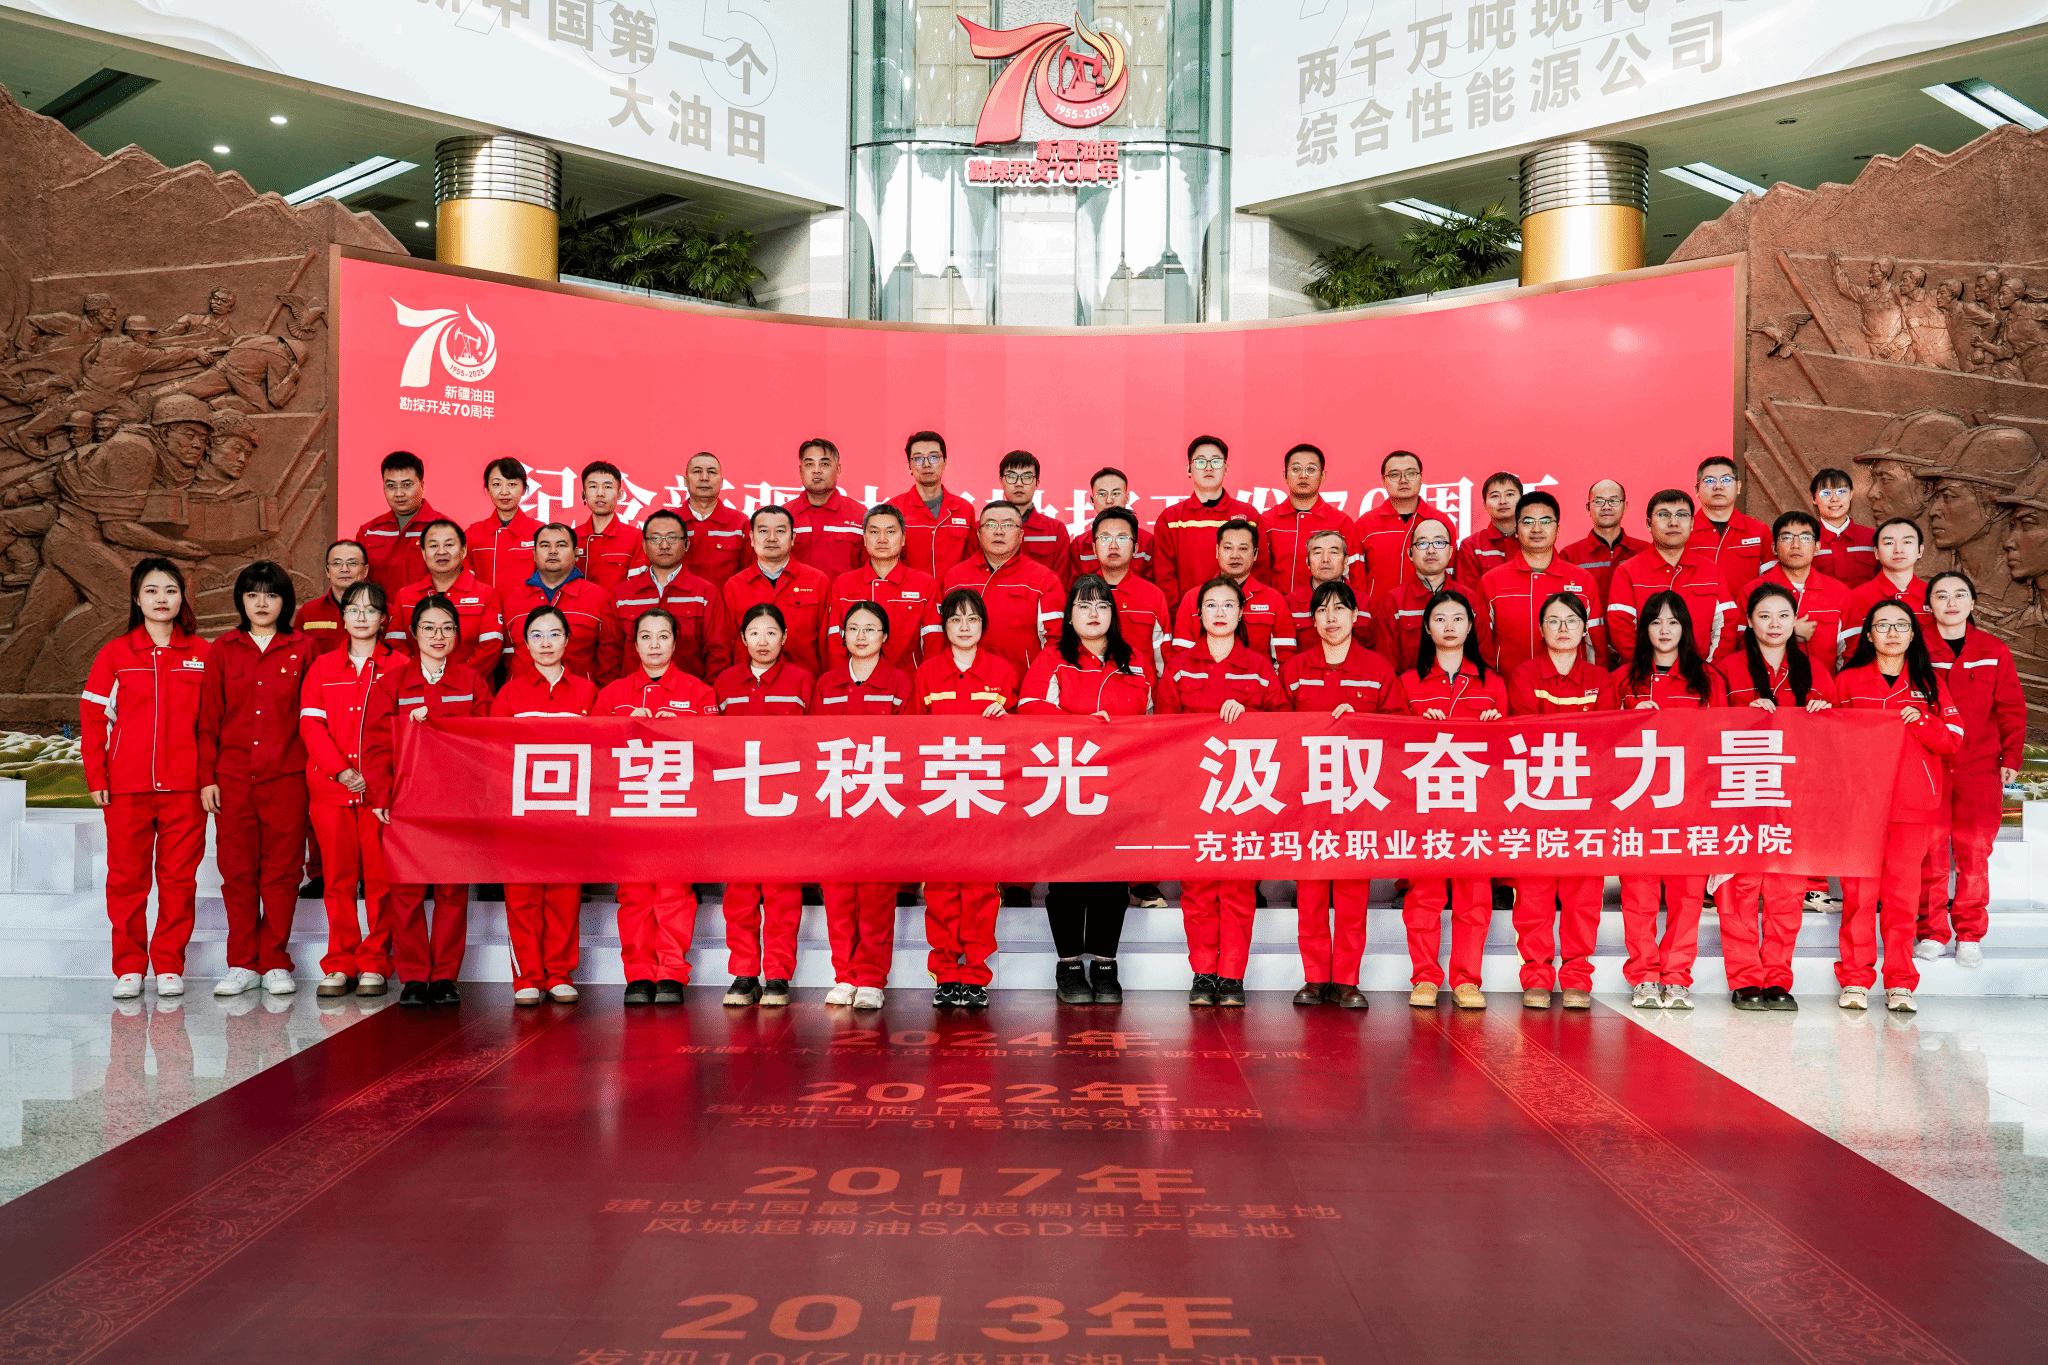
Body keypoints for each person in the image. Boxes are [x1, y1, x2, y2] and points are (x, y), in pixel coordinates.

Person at [1020, 575, 1155, 1001]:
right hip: (1066, 783)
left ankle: (1105, 965)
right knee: (1068, 881)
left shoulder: (1135, 661)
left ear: (1114, 614)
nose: (1093, 614)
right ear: (1069, 615)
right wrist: (1081, 725)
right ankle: (1068, 966)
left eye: (1102, 605)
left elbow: (1156, 718)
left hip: (1122, 785)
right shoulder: (1053, 658)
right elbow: (1029, 707)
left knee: (1112, 881)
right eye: (1083, 605)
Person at [1157, 577, 1289, 1008]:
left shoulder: (1258, 667)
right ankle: (1203, 972)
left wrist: (1249, 715)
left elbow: (1284, 723)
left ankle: (1231, 975)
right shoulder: (1180, 667)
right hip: (1194, 793)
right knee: (1197, 890)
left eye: (1228, 605)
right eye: (1210, 605)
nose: (1219, 612)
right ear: (1198, 615)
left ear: (1240, 613)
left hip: (1244, 794)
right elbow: (1163, 728)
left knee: (1237, 889)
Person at [84, 558, 209, 1001]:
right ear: (137, 599)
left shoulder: (202, 653)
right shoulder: (115, 654)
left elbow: (212, 724)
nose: (161, 599)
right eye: (152, 591)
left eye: (170, 590)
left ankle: (170, 965)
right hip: (127, 786)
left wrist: (207, 778)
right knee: (126, 880)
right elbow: (93, 718)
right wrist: (96, 774)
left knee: (179, 881)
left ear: (181, 598)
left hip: (185, 788)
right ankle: (129, 967)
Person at [363, 594, 494, 1006]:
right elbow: (376, 744)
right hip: (408, 803)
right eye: (429, 628)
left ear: (457, 634)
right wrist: (381, 793)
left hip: (456, 803)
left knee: (453, 891)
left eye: (447, 628)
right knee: (406, 892)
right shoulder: (392, 684)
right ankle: (415, 975)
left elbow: (487, 742)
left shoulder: (472, 682)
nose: (439, 636)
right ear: (413, 634)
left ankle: (445, 976)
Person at [1598, 592, 1724, 1009]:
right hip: (1637, 803)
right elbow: (1600, 740)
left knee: (1688, 894)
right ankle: (1644, 976)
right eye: (1655, 622)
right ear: (1644, 630)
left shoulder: (1707, 679)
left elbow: (1721, 740)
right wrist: (1633, 721)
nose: (1665, 630)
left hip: (1692, 802)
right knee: (1640, 894)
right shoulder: (1623, 680)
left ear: (1685, 628)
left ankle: (1677, 976)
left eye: (1673, 622)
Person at [1712, 584, 1835, 1011]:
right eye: (1764, 616)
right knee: (1739, 890)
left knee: (1786, 891)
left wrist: (1824, 716)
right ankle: (1745, 978)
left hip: (1795, 796)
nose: (1774, 624)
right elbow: (1706, 727)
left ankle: (1779, 978)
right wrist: (1741, 718)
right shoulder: (1727, 670)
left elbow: (1839, 734)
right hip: (1741, 795)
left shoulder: (1814, 670)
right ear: (1749, 621)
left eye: (1783, 615)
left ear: (1795, 620)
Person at [1835, 600, 1962, 1012]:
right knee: (1859, 896)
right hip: (1861, 807)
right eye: (1883, 625)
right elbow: (1828, 742)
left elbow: (1953, 739)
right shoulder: (1849, 681)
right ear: (1868, 634)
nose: (1892, 632)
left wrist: (1920, 719)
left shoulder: (1929, 682)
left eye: (1901, 625)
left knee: (1902, 898)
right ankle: (1855, 980)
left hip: (1912, 806)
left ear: (1913, 634)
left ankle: (1901, 981)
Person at [197, 560, 314, 1000]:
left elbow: (311, 716)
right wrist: (207, 777)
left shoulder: (303, 648)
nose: (261, 603)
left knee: (283, 873)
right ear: (240, 601)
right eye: (252, 595)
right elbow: (208, 720)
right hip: (232, 779)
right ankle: (242, 963)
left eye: (271, 595)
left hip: (287, 777)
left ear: (285, 601)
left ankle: (276, 961)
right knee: (237, 873)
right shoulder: (223, 649)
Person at [1388, 589, 1506, 1009]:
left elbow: (1510, 753)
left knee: (1474, 896)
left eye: (1458, 618)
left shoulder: (1492, 683)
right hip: (1424, 806)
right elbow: (1389, 746)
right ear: (1426, 627)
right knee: (1424, 894)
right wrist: (1416, 727)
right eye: (1440, 619)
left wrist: (1496, 726)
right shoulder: (1409, 682)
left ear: (1471, 626)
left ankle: (1467, 979)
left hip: (1476, 807)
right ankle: (1424, 976)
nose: (1449, 626)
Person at [595, 608, 718, 1006]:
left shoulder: (699, 693)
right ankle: (638, 973)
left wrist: (682, 729)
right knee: (633, 895)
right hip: (628, 810)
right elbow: (592, 749)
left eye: (663, 636)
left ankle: (671, 972)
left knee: (674, 892)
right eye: (645, 637)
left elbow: (716, 749)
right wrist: (624, 727)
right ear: (634, 645)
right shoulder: (612, 695)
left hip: (677, 808)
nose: (654, 645)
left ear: (675, 642)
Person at [1281, 579, 1391, 1009]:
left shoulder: (1377, 669)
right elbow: (1274, 729)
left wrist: (1361, 719)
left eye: (1340, 609)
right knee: (1310, 895)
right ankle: (1314, 978)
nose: (1331, 618)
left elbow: (1399, 729)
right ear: (1312, 620)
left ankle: (1347, 980)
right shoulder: (1294, 670)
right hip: (1308, 799)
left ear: (1355, 617)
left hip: (1358, 799)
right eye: (1323, 610)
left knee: (1351, 895)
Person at [908, 588, 1018, 1007]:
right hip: (939, 798)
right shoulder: (927, 673)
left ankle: (974, 974)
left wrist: (1008, 718)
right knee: (940, 889)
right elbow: (913, 736)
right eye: (955, 619)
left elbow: (1020, 735)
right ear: (944, 626)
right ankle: (945, 972)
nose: (964, 627)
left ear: (983, 626)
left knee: (980, 891)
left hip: (985, 798)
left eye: (972, 619)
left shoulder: (1002, 671)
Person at [1505, 591, 1609, 1010]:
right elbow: (1525, 735)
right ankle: (1536, 975)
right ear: (1541, 628)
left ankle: (1578, 976)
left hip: (1587, 802)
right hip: (1536, 800)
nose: (1563, 628)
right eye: (1553, 621)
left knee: (1584, 896)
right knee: (1534, 894)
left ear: (1584, 629)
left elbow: (1608, 737)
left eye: (1571, 621)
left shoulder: (1602, 678)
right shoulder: (1525, 674)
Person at [491, 606, 600, 1004]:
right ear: (524, 644)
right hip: (521, 811)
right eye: (536, 635)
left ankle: (558, 973)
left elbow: (602, 749)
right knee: (522, 895)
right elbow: (493, 752)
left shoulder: (587, 692)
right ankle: (527, 977)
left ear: (568, 640)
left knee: (564, 894)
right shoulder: (509, 693)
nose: (546, 643)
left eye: (555, 634)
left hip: (570, 810)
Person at [299, 580, 401, 999]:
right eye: (353, 609)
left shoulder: (400, 666)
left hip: (379, 795)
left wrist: (376, 777)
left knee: (380, 880)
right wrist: (340, 770)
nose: (361, 617)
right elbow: (311, 723)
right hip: (330, 790)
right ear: (342, 617)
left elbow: (401, 731)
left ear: (384, 619)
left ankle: (375, 961)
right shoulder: (323, 667)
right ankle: (340, 961)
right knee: (338, 880)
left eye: (370, 609)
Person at [1917, 570, 2024, 968]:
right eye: (1941, 595)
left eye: (1960, 595)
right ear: (1929, 604)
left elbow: (2010, 707)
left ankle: (1969, 934)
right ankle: (1931, 931)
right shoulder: (1916, 648)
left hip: (1979, 766)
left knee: (1974, 853)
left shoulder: (1993, 649)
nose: (1951, 602)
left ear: (1973, 603)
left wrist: (2011, 757)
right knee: (1930, 853)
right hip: (1929, 765)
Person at [713, 603, 816, 1007]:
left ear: (784, 637)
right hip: (737, 803)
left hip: (786, 803)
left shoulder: (801, 680)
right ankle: (743, 973)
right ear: (742, 638)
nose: (762, 641)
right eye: (754, 632)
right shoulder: (725, 682)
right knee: (739, 894)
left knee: (781, 893)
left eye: (771, 633)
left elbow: (814, 743)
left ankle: (777, 975)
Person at [814, 602, 914, 1009]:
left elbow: (909, 744)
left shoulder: (899, 683)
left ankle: (872, 978)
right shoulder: (827, 684)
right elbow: (812, 741)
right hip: (836, 800)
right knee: (839, 895)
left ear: (885, 636)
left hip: (879, 800)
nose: (861, 636)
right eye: (853, 628)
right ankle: (844, 975)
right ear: (842, 636)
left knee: (875, 897)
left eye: (870, 629)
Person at [601, 509, 733, 683]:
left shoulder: (705, 593)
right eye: (655, 538)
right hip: (633, 697)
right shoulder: (621, 596)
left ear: (686, 544)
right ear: (644, 545)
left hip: (689, 696)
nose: (664, 545)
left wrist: (705, 696)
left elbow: (718, 653)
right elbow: (609, 655)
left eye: (672, 538)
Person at [1479, 491, 1602, 674]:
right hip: (1509, 687)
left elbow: (1595, 645)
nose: (1537, 529)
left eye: (1545, 521)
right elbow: (1482, 645)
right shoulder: (1492, 582)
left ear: (1557, 529)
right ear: (1516, 530)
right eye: (1528, 522)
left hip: (1571, 689)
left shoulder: (1583, 580)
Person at [1606, 490, 1739, 659]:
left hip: (1701, 672)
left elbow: (1726, 626)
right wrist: (1648, 670)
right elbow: (1621, 631)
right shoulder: (1628, 572)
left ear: (1692, 523)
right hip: (1646, 673)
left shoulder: (1711, 571)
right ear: (1648, 524)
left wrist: (1709, 671)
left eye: (1682, 515)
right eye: (1664, 515)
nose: (1673, 522)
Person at [942, 501, 1064, 680]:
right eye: (990, 525)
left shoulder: (1044, 579)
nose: (999, 531)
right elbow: (945, 635)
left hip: (1023, 682)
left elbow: (1054, 642)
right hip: (965, 683)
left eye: (1008, 525)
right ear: (978, 534)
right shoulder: (956, 576)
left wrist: (1039, 683)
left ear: (1021, 535)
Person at [492, 523, 619, 684]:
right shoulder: (514, 600)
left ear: (576, 554)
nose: (553, 551)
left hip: (580, 696)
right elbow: (508, 656)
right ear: (534, 554)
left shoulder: (599, 598)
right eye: (545, 545)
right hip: (523, 696)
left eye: (561, 545)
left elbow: (609, 656)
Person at [723, 504, 834, 676]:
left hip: (805, 684)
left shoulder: (818, 581)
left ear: (793, 537)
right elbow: (726, 645)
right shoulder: (734, 586)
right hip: (749, 685)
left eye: (780, 531)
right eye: (763, 531)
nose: (772, 538)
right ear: (751, 537)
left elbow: (827, 643)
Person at [1168, 519, 1294, 666]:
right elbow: (1181, 658)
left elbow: (1285, 660)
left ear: (1255, 554)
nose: (1235, 555)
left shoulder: (1273, 599)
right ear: (1217, 551)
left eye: (1243, 548)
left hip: (1256, 680)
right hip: (1204, 679)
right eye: (1228, 548)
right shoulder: (1193, 598)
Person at [1152, 435, 1258, 610]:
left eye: (1216, 462)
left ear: (1226, 468)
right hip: (1188, 615)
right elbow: (1165, 577)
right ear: (1189, 469)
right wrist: (1179, 617)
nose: (1209, 468)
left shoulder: (1248, 515)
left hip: (1237, 615)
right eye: (1201, 462)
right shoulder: (1171, 518)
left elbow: (1260, 570)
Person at [829, 504, 940, 672]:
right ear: (864, 538)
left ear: (903, 538)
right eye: (874, 532)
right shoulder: (843, 584)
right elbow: (835, 643)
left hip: (909, 681)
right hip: (856, 682)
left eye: (890, 532)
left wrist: (925, 683)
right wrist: (843, 682)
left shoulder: (924, 584)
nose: (882, 539)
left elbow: (934, 644)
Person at [387, 518, 503, 675]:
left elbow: (490, 649)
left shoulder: (486, 594)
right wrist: (421, 677)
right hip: (417, 685)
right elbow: (396, 646)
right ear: (423, 553)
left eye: (449, 545)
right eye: (433, 546)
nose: (441, 552)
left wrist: (456, 680)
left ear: (463, 551)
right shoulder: (405, 596)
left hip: (471, 686)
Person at [1746, 510, 1853, 672]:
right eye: (1787, 537)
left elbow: (1850, 650)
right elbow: (1742, 647)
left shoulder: (1839, 592)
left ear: (1817, 547)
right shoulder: (1752, 591)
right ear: (1774, 548)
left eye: (1805, 538)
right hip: (1768, 684)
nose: (1795, 545)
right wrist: (1789, 633)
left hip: (1823, 686)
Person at [1351, 449, 1451, 603]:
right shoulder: (1365, 525)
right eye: (1394, 475)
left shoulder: (1441, 522)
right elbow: (1356, 579)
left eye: (1410, 473)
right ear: (1383, 481)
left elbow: (1451, 574)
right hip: (1378, 614)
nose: (1403, 480)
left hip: (1431, 612)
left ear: (1421, 478)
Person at [1369, 516, 1466, 670]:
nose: (1431, 550)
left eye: (1439, 543)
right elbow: (1386, 667)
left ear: (1450, 552)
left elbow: (1483, 661)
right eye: (1422, 544)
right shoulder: (1394, 602)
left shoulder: (1469, 599)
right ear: (1410, 554)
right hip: (1408, 685)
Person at [1258, 443, 1354, 598]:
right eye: (1296, 469)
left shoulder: (1341, 522)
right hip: (1279, 607)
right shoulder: (1267, 521)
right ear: (1285, 475)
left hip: (1325, 608)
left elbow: (1354, 575)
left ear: (1322, 476)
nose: (1303, 476)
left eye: (1311, 469)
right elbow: (1259, 572)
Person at [1086, 506, 1170, 679]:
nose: (1113, 545)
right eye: (1105, 538)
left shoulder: (1153, 596)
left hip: (1141, 691)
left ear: (1135, 548)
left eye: (1122, 538)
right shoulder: (1082, 593)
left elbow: (1163, 659)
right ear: (1094, 548)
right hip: (1092, 691)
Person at [357, 451, 445, 604]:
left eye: (407, 485)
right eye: (391, 486)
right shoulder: (369, 532)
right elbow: (358, 583)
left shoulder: (444, 528)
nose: (399, 493)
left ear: (422, 485)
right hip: (379, 616)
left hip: (428, 615)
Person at [887, 430, 976, 578]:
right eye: (918, 458)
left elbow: (972, 562)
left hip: (953, 591)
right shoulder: (893, 509)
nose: (927, 464)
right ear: (909, 466)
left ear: (945, 462)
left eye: (934, 457)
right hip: (910, 591)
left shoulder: (965, 509)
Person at [1840, 518, 1933, 658]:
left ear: (1920, 550)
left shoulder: (1934, 596)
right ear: (1876, 552)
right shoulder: (1856, 598)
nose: (1898, 550)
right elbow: (1850, 653)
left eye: (1907, 542)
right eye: (1889, 543)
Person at [785, 437, 869, 577]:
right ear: (800, 471)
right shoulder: (783, 516)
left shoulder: (860, 515)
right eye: (809, 464)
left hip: (843, 592)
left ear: (838, 469)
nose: (816, 470)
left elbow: (869, 571)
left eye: (824, 464)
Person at [1559, 479, 1645, 610]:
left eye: (1614, 501)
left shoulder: (1644, 551)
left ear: (1625, 507)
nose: (1606, 507)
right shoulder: (1570, 555)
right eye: (1599, 501)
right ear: (1588, 508)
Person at [1689, 456, 1771, 589]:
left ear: (1738, 487)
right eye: (1709, 481)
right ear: (1697, 490)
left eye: (1726, 480)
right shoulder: (1683, 531)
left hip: (1746, 603)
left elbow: (1772, 580)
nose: (1718, 487)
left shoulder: (1759, 531)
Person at [675, 451, 754, 587]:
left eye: (711, 472)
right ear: (685, 481)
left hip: (725, 600)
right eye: (697, 471)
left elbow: (750, 574)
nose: (704, 478)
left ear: (721, 482)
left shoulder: (740, 523)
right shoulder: (668, 522)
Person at [1284, 529, 1370, 653]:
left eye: (1333, 552)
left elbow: (1375, 655)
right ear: (1307, 562)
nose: (1325, 559)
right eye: (1318, 552)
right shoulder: (1290, 604)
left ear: (1346, 561)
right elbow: (1285, 654)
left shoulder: (1366, 604)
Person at [994, 450, 1072, 582]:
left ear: (1037, 483)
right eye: (1011, 476)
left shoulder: (1056, 531)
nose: (1019, 483)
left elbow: (1061, 583)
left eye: (1027, 477)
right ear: (1001, 481)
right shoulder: (984, 528)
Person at [466, 456, 543, 587]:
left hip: (529, 601)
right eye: (496, 484)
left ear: (524, 489)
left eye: (512, 484)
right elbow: (464, 582)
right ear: (488, 489)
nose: (504, 492)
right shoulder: (473, 534)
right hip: (484, 601)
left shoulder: (540, 531)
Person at [1068, 467, 1155, 580]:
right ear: (1092, 500)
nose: (1109, 500)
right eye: (1102, 494)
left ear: (1127, 498)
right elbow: (1074, 587)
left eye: (1116, 493)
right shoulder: (1079, 545)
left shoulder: (1148, 541)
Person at [572, 460, 647, 589]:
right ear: (584, 494)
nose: (600, 493)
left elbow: (638, 587)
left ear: (620, 494)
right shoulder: (571, 537)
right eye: (593, 486)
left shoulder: (636, 538)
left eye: (607, 487)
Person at [1808, 467, 1877, 588]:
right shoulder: (1806, 539)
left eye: (1841, 492)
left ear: (1851, 494)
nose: (1835, 499)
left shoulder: (1872, 537)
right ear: (1813, 498)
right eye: (1826, 493)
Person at [298, 540, 370, 656]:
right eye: (337, 563)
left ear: (365, 570)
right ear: (327, 571)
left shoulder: (383, 611)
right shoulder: (308, 612)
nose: (344, 569)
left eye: (352, 563)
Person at [1454, 470, 1524, 584]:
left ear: (1522, 501)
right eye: (1495, 496)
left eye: (1510, 494)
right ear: (1485, 505)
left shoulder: (1535, 539)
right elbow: (1467, 592)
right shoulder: (1471, 546)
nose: (1503, 501)